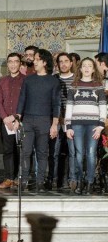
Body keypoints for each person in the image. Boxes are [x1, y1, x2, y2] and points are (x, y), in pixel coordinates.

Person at [15, 49, 61, 193]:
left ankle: (40, 182)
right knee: (25, 151)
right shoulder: (28, 79)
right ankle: (23, 181)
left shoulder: (54, 81)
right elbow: (21, 100)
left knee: (42, 153)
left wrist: (54, 125)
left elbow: (56, 104)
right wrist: (17, 119)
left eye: (36, 59)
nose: (34, 61)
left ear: (44, 62)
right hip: (27, 120)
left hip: (44, 121)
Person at [65, 57, 107, 195]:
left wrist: (101, 125)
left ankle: (89, 182)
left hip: (93, 125)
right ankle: (79, 181)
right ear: (80, 68)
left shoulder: (98, 86)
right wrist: (68, 126)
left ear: (94, 69)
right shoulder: (73, 86)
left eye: (90, 65)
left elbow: (103, 107)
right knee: (78, 155)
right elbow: (69, 107)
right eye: (84, 66)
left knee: (90, 154)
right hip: (76, 124)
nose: (87, 68)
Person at [0, 53, 26, 189]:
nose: (13, 64)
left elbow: (26, 101)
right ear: (7, 64)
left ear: (20, 64)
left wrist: (17, 118)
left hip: (21, 121)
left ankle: (19, 178)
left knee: (21, 150)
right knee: (8, 150)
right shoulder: (2, 81)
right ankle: (8, 178)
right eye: (10, 62)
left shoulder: (26, 80)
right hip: (6, 122)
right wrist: (5, 118)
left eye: (16, 61)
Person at [47, 52, 75, 191]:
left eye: (66, 61)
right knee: (55, 152)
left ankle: (71, 180)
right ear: (57, 64)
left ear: (71, 63)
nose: (63, 64)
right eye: (60, 61)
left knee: (72, 152)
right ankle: (53, 179)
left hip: (73, 122)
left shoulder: (77, 79)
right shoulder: (53, 79)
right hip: (56, 121)